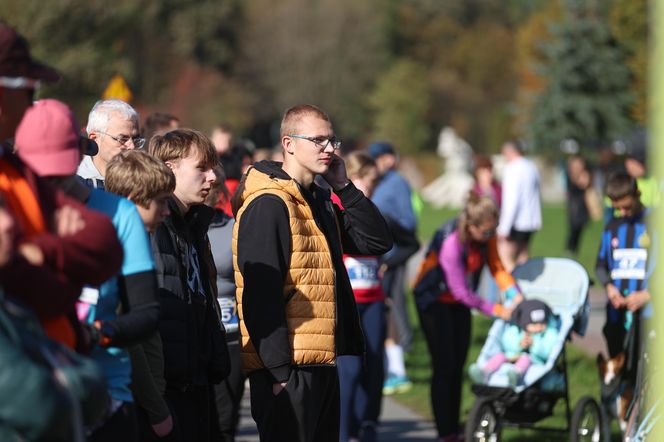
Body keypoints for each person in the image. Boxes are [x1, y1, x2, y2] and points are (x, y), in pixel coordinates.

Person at [232, 104, 392, 442]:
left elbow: (376, 241)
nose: (330, 149)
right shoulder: (269, 203)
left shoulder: (319, 198)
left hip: (321, 360)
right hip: (288, 369)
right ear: (289, 144)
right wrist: (279, 372)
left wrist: (344, 187)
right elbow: (259, 293)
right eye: (318, 140)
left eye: (333, 140)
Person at [15, 99, 162, 441]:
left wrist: (93, 335)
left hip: (106, 395)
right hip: (29, 398)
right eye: (39, 171)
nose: (49, 182)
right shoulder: (12, 213)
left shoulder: (118, 213)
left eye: (59, 169)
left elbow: (146, 312)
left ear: (82, 152)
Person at [0, 22, 123, 349]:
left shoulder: (15, 171)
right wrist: (64, 268)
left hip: (48, 370)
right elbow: (40, 295)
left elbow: (105, 242)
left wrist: (39, 251)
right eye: (29, 90)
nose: (31, 105)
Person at [413, 192, 522, 442]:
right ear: (471, 225)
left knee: (458, 365)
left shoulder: (487, 235)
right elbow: (461, 291)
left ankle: (455, 428)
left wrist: (515, 295)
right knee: (444, 366)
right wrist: (496, 310)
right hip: (433, 301)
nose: (489, 236)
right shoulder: (452, 241)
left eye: (491, 231)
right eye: (485, 232)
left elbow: (496, 267)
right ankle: (445, 432)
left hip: (458, 303)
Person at [148, 129, 230, 442]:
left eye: (214, 167)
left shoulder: (194, 224)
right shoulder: (156, 227)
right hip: (169, 388)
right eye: (201, 168)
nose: (213, 177)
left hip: (197, 382)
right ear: (170, 168)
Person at [105, 149, 177, 440]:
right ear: (133, 200)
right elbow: (129, 341)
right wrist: (157, 410)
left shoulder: (135, 242)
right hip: (134, 404)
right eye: (160, 203)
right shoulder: (114, 252)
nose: (166, 212)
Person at [334, 152, 385, 442]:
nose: (373, 187)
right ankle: (343, 433)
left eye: (376, 182)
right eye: (368, 180)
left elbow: (396, 242)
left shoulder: (371, 208)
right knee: (349, 370)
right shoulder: (335, 208)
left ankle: (367, 425)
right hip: (347, 301)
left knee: (374, 365)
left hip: (374, 300)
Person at [368, 141, 418, 395]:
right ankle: (389, 366)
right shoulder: (382, 183)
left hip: (391, 258)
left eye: (381, 158)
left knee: (393, 309)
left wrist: (392, 258)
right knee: (384, 311)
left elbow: (408, 223)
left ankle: (398, 369)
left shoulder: (396, 183)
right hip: (377, 261)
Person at [204, 166, 244, 442]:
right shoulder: (173, 226)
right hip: (197, 335)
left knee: (225, 420)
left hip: (231, 335)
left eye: (214, 183)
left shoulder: (233, 228)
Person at [596, 172, 652, 364]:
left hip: (650, 312)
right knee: (619, 362)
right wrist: (610, 288)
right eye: (617, 208)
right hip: (617, 311)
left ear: (637, 194)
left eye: (627, 207)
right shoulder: (612, 226)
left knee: (646, 368)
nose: (623, 213)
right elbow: (601, 265)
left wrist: (648, 294)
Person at [469, 299, 557, 387]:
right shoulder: (516, 330)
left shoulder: (548, 334)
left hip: (533, 359)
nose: (539, 327)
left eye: (542, 323)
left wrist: (534, 345)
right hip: (512, 356)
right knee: (500, 356)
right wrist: (519, 345)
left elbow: (548, 351)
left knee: (525, 358)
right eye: (534, 324)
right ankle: (484, 372)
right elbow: (507, 343)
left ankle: (516, 375)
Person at [78, 99, 145, 189]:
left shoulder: (146, 181)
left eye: (136, 139)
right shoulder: (76, 183)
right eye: (122, 139)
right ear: (94, 138)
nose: (132, 146)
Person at [496, 140, 542, 272]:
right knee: (523, 255)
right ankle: (524, 284)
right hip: (531, 220)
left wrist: (504, 228)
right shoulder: (531, 167)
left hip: (517, 221)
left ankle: (513, 288)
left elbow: (511, 201)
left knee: (505, 257)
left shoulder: (513, 169)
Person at [565, 155, 594, 255]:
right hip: (575, 204)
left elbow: (587, 184)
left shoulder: (585, 173)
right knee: (574, 226)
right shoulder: (571, 174)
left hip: (582, 203)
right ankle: (570, 248)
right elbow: (577, 186)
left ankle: (574, 249)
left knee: (581, 226)